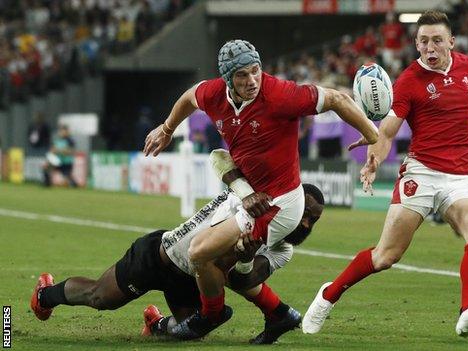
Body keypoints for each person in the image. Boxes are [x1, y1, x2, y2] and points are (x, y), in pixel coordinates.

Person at [302, 10, 468, 338]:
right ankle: (328, 295)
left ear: (451, 42)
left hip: (461, 176)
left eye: (436, 40)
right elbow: (388, 131)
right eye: (423, 41)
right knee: (386, 256)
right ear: (416, 44)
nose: (430, 47)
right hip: (422, 172)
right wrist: (374, 156)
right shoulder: (408, 81)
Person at [142, 39, 378, 334]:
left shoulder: (280, 94)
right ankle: (267, 314)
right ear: (228, 79)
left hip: (279, 204)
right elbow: (190, 97)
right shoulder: (214, 93)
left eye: (256, 71)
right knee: (209, 258)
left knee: (200, 252)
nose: (252, 80)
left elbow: (337, 100)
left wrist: (372, 135)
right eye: (242, 75)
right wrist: (167, 129)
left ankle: (210, 316)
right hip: (252, 201)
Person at [30, 177, 325, 344]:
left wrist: (246, 259)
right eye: (305, 215)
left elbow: (244, 280)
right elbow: (224, 162)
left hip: (190, 279)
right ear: (292, 206)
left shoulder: (283, 249)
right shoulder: (251, 203)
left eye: (314, 220)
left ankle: (156, 322)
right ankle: (45, 294)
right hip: (158, 257)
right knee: (100, 298)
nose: (308, 226)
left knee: (187, 333)